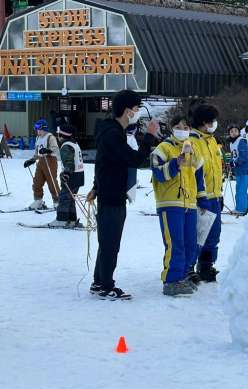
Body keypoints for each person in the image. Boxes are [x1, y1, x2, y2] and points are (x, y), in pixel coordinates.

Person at [88, 90, 155, 300]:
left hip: (109, 193)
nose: (138, 112)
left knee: (107, 241)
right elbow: (134, 159)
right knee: (110, 243)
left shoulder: (112, 131)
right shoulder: (112, 133)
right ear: (127, 111)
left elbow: (103, 163)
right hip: (112, 196)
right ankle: (106, 285)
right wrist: (149, 137)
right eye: (136, 108)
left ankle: (99, 282)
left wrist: (95, 187)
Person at [151, 115, 206, 296]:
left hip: (189, 203)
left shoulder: (193, 150)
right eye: (178, 127)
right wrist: (175, 163)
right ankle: (171, 280)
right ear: (172, 128)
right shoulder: (163, 148)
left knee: (190, 243)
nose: (182, 130)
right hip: (170, 203)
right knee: (175, 243)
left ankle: (182, 276)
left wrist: (202, 198)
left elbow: (199, 176)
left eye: (185, 127)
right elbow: (158, 173)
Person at [190, 104, 223, 282]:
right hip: (200, 197)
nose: (214, 124)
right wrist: (199, 195)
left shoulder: (212, 140)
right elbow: (195, 171)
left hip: (215, 195)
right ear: (204, 122)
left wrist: (220, 192)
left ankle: (206, 265)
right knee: (198, 234)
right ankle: (189, 267)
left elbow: (216, 168)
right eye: (212, 121)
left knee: (213, 233)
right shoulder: (193, 141)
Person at [48, 125, 84, 228]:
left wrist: (66, 173)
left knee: (64, 198)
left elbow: (69, 162)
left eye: (58, 134)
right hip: (79, 175)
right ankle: (71, 219)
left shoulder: (66, 146)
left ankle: (61, 219)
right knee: (71, 198)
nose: (57, 137)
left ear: (62, 135)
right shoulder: (74, 143)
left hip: (71, 176)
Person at [24, 119, 60, 209]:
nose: (37, 130)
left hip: (50, 160)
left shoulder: (50, 137)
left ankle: (57, 201)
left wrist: (47, 150)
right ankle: (38, 200)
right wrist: (32, 160)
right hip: (41, 161)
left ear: (44, 128)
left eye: (38, 128)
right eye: (36, 129)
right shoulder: (38, 138)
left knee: (51, 182)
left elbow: (55, 149)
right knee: (37, 181)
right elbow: (37, 152)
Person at [227, 123, 248, 215]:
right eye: (231, 131)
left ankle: (241, 209)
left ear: (239, 132)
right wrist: (231, 162)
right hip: (238, 170)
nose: (233, 133)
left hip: (244, 169)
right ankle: (245, 207)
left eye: (235, 131)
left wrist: (236, 162)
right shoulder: (232, 143)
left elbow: (244, 155)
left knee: (241, 190)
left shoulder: (241, 141)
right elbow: (233, 155)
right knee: (239, 189)